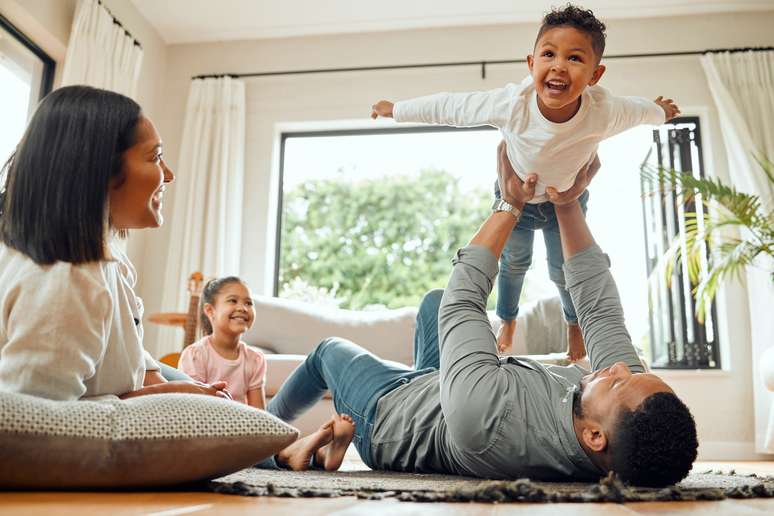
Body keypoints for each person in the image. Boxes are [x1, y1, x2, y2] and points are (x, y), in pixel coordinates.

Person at [265, 144, 698, 487]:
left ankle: (267, 442)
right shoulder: (616, 419)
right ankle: (307, 442)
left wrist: (509, 204)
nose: (618, 367)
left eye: (619, 379)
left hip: (389, 417)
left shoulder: (488, 424)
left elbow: (464, 299)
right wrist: (568, 205)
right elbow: (600, 309)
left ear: (594, 437)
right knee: (432, 302)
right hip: (442, 391)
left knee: (328, 352)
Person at [0, 85, 350, 471]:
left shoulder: (103, 255)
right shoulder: (66, 280)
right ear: (100, 170)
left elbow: (127, 349)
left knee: (215, 400)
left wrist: (162, 384)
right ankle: (284, 452)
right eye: (156, 158)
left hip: (137, 372)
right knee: (224, 412)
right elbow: (33, 423)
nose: (168, 174)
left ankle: (285, 450)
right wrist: (158, 398)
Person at [370, 4, 680, 361]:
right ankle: (508, 319)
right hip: (516, 198)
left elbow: (640, 111)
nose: (559, 65)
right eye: (549, 54)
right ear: (531, 64)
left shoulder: (604, 111)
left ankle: (574, 326)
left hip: (566, 200)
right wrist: (397, 109)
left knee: (563, 271)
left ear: (595, 75)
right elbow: (451, 107)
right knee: (514, 263)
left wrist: (660, 112)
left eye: (575, 58)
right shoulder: (512, 104)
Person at [179, 276, 268, 408]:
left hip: (242, 425)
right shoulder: (195, 355)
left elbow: (259, 414)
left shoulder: (255, 359)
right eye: (233, 301)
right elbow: (192, 407)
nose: (243, 308)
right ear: (210, 310)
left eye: (248, 303)